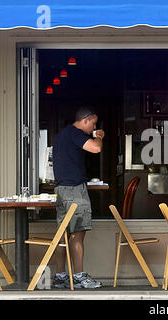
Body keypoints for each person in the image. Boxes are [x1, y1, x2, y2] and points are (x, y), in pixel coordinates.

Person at [52, 106, 105, 289]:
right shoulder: (76, 133)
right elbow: (96, 149)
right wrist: (98, 136)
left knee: (62, 235)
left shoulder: (62, 135)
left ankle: (60, 276)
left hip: (61, 189)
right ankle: (79, 276)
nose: (94, 127)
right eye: (94, 123)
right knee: (77, 234)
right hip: (74, 190)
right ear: (85, 120)